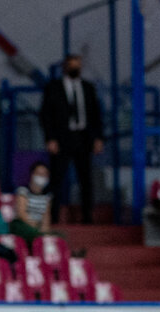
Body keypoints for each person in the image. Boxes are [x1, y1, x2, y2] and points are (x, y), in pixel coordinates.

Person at [39, 54, 104, 224]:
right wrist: (50, 138)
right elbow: (46, 115)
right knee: (57, 179)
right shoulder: (53, 87)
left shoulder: (88, 87)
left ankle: (87, 217)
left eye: (78, 66)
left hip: (83, 138)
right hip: (62, 138)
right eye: (72, 66)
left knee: (86, 179)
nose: (76, 69)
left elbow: (96, 115)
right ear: (65, 67)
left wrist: (98, 138)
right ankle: (52, 217)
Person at [11, 162, 53, 247]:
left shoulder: (47, 196)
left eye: (44, 174)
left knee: (58, 236)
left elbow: (46, 217)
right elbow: (21, 213)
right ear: (32, 175)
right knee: (35, 234)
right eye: (39, 174)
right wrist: (35, 227)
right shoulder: (23, 191)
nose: (41, 176)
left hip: (37, 226)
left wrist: (45, 231)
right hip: (22, 225)